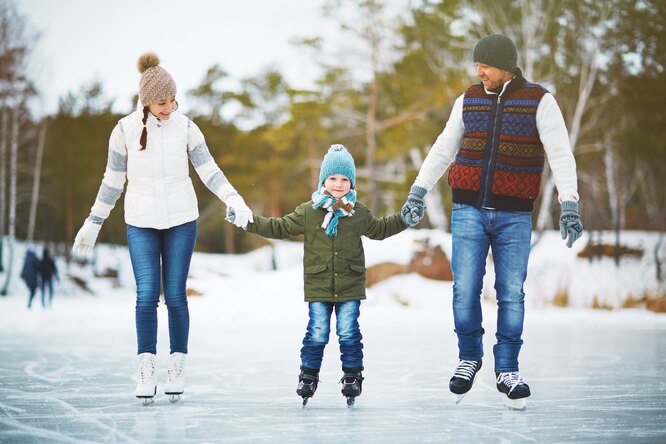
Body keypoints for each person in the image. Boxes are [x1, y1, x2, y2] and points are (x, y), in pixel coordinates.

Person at [401, 34, 583, 410]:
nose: (478, 72)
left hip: (514, 214)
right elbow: (443, 147)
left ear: (505, 66)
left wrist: (569, 204)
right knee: (464, 288)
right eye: (476, 65)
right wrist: (418, 192)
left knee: (511, 292)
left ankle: (507, 369)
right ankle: (469, 357)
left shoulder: (539, 101)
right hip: (467, 210)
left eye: (485, 65)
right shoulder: (468, 99)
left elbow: (561, 154)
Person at [72, 53, 253, 404]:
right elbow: (112, 181)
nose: (169, 107)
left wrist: (234, 198)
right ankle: (145, 368)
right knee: (145, 296)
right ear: (145, 101)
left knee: (174, 295)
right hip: (140, 222)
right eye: (161, 101)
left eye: (173, 100)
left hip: (182, 221)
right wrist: (94, 221)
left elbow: (209, 170)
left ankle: (177, 366)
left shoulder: (186, 126)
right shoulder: (123, 130)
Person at [228, 145, 411, 406]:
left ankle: (352, 375)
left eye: (345, 179)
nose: (338, 184)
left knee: (348, 331)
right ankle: (308, 375)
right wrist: (247, 221)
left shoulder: (357, 212)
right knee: (317, 331)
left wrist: (404, 219)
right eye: (333, 178)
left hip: (349, 283)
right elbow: (279, 227)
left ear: (352, 182)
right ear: (323, 180)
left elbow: (380, 229)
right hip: (319, 283)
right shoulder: (308, 211)